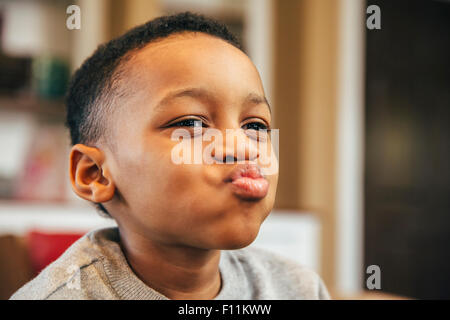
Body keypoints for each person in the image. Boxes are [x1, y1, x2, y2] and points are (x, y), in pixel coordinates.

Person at [10, 12, 330, 300]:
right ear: (95, 173)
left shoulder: (296, 288)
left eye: (255, 125)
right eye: (191, 123)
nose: (243, 147)